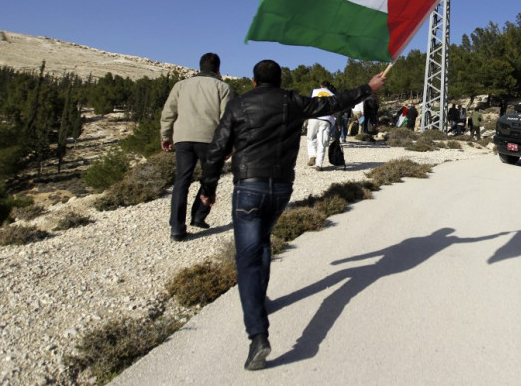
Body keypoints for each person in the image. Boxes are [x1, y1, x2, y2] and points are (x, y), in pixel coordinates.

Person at [199, 60, 386, 371]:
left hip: (248, 186)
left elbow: (218, 148)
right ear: (280, 80)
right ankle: (261, 299)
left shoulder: (238, 104)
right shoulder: (293, 101)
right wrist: (368, 87)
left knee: (247, 257)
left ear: (254, 81)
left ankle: (258, 335)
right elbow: (333, 103)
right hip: (281, 188)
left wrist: (208, 187)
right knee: (262, 242)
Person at [160, 52, 234, 241]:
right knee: (210, 178)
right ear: (218, 69)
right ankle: (199, 216)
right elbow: (228, 120)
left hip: (183, 138)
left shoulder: (181, 85)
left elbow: (168, 112)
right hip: (210, 139)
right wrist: (228, 146)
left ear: (200, 67)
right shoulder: (223, 87)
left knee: (181, 181)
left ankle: (176, 228)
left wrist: (166, 136)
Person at [306, 81, 335, 171]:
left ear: (321, 86)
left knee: (311, 138)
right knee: (322, 142)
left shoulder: (314, 91)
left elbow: (307, 102)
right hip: (327, 119)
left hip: (314, 117)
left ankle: (312, 155)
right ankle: (319, 164)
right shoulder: (333, 95)